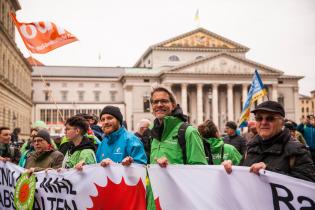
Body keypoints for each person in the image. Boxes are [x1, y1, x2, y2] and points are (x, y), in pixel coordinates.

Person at [223, 101, 315, 182]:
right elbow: (242, 177)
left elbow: (306, 187)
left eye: (270, 118)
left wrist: (268, 171)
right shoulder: (251, 147)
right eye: (259, 118)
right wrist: (232, 170)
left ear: (282, 122)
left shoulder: (297, 151)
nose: (263, 122)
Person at [149, 86, 207, 167]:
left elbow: (200, 169)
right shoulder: (152, 134)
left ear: (173, 105)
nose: (159, 105)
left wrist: (171, 169)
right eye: (155, 102)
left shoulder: (189, 132)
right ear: (152, 106)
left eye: (164, 101)